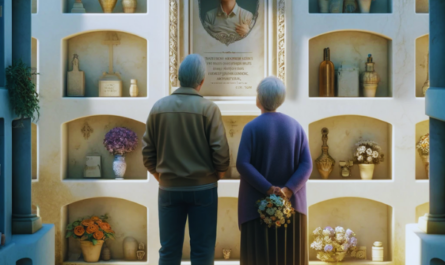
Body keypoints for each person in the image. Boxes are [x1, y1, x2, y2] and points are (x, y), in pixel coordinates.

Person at [142, 54, 230, 265]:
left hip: (169, 190)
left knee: (169, 250)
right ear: (201, 81)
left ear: (179, 78)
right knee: (202, 249)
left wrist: (160, 176)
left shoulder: (158, 108)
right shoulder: (209, 109)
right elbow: (221, 152)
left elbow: (147, 153)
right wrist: (217, 175)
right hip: (203, 189)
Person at [237, 76, 312, 265]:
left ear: (259, 99)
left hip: (256, 210)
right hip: (291, 209)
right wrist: (287, 190)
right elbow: (307, 165)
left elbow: (242, 164)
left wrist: (269, 189)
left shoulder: (251, 128)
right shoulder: (296, 127)